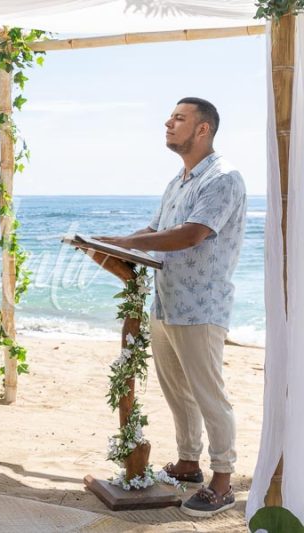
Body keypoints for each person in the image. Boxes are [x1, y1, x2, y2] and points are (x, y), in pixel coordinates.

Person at [96, 97, 246, 518]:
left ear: (203, 129)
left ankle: (222, 480)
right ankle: (188, 462)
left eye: (179, 118)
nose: (168, 123)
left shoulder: (223, 177)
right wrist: (110, 241)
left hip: (201, 306)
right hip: (166, 301)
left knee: (209, 394)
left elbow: (191, 234)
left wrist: (130, 244)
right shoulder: (178, 180)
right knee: (177, 391)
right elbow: (156, 230)